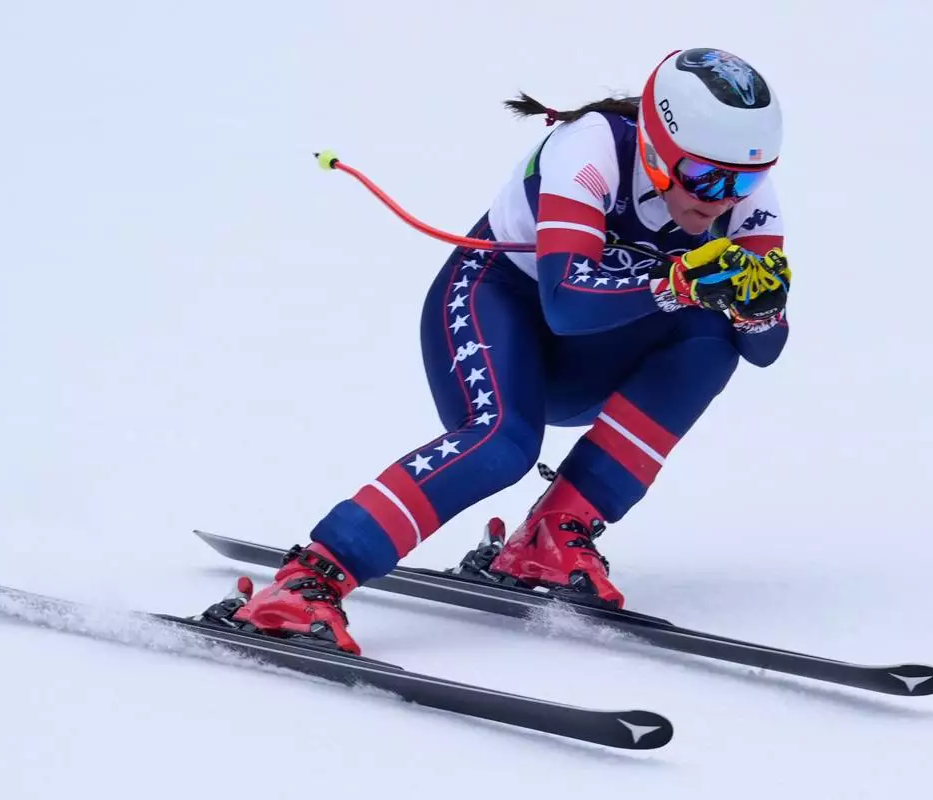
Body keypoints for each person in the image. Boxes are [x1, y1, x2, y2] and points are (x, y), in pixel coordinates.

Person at [212, 47, 791, 654]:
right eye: (704, 177)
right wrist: (678, 283)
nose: (722, 198)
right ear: (654, 149)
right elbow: (565, 302)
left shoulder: (746, 199)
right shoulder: (591, 149)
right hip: (498, 303)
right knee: (504, 442)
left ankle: (551, 534)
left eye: (745, 180)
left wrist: (761, 307)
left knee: (716, 334)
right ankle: (310, 578)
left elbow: (763, 350)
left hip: (588, 349)